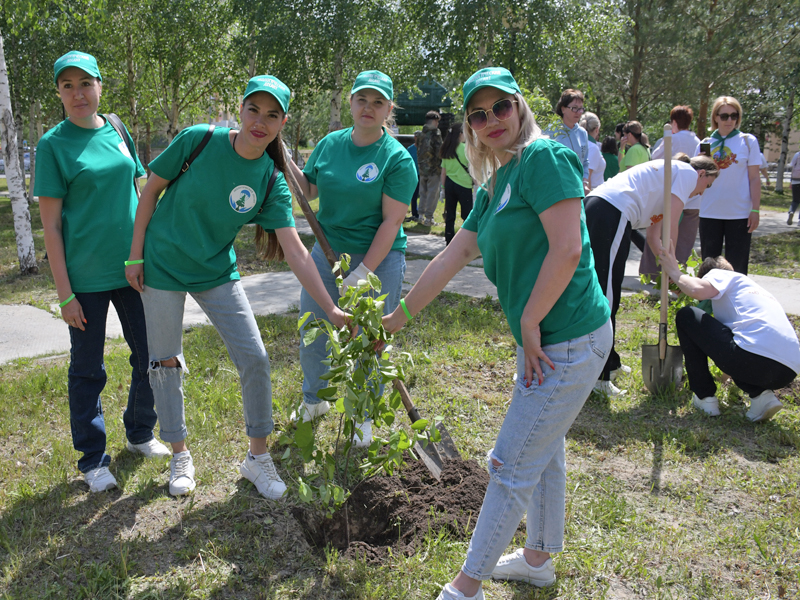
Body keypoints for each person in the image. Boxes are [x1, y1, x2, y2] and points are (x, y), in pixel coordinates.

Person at [384, 67, 612, 600]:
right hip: (540, 341)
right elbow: (454, 254)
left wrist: (529, 321)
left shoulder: (545, 158)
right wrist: (397, 319)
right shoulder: (497, 182)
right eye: (478, 115)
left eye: (500, 108)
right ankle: (536, 560)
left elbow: (568, 248)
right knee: (543, 446)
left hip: (571, 339)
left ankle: (466, 587)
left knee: (509, 462)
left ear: (520, 107)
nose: (491, 121)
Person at [125, 75, 348, 498]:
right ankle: (179, 454)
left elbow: (297, 252)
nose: (260, 122)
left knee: (256, 357)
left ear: (283, 123)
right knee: (165, 361)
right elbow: (150, 190)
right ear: (240, 109)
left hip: (215, 272)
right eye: (254, 110)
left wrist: (332, 310)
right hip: (161, 265)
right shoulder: (199, 139)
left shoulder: (271, 179)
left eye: (272, 115)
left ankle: (257, 458)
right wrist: (135, 255)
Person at [35, 51, 171, 493]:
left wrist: (144, 253)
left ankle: (139, 432)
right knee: (88, 369)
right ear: (59, 92)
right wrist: (64, 294)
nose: (78, 93)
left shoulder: (115, 128)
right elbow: (51, 226)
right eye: (68, 85)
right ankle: (93, 459)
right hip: (85, 281)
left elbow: (136, 192)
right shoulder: (52, 145)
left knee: (149, 354)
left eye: (85, 83)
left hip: (133, 269)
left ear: (99, 86)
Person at [287, 70, 417, 447]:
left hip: (380, 258)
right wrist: (284, 157)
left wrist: (364, 271)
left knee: (370, 340)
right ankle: (315, 400)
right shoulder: (329, 144)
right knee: (313, 328)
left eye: (378, 102)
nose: (368, 108)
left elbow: (392, 221)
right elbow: (308, 190)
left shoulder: (395, 158)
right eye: (362, 99)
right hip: (325, 253)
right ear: (351, 102)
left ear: (388, 109)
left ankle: (362, 414)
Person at [584, 154, 719, 396]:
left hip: (606, 210)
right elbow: (672, 227)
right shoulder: (687, 174)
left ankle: (610, 361)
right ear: (702, 174)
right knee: (607, 294)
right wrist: (674, 266)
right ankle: (599, 377)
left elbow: (656, 237)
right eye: (706, 186)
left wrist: (668, 267)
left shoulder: (668, 183)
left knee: (609, 289)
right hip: (610, 210)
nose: (701, 193)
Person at [659, 247, 799, 422]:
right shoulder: (753, 291)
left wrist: (674, 271)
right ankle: (762, 397)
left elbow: (697, 290)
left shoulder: (721, 274)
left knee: (687, 315)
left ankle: (705, 397)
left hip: (755, 358)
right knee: (740, 343)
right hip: (788, 370)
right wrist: (685, 284)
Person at [694, 96, 761, 275]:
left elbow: (754, 178)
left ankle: (735, 302)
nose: (730, 120)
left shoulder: (747, 141)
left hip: (739, 213)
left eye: (734, 116)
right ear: (715, 117)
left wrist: (755, 209)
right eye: (724, 116)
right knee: (709, 266)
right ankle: (708, 302)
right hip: (710, 211)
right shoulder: (706, 144)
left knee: (737, 267)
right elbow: (696, 178)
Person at [640, 106, 704, 278]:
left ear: (674, 122)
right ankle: (677, 274)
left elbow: (655, 158)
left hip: (670, 196)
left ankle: (651, 274)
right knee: (684, 240)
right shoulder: (698, 141)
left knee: (659, 232)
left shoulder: (670, 139)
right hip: (691, 200)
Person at [544, 89, 590, 191]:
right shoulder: (550, 131)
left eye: (580, 109)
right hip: (556, 188)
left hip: (577, 188)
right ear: (563, 109)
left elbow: (585, 161)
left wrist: (584, 182)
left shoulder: (583, 133)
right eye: (574, 108)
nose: (578, 112)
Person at [439, 123, 474, 244]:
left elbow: (443, 172)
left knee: (450, 214)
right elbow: (472, 169)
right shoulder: (466, 149)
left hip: (449, 184)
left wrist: (443, 188)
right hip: (463, 184)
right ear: (460, 134)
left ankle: (449, 239)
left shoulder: (446, 150)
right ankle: (467, 240)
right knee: (467, 214)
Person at [417, 110, 443, 226]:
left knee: (423, 192)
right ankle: (429, 218)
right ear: (434, 121)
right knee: (433, 193)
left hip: (422, 168)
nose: (438, 124)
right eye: (437, 122)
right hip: (434, 169)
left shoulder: (420, 134)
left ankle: (420, 216)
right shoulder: (436, 133)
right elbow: (439, 151)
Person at [579, 111, 606, 191]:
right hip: (593, 193)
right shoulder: (593, 147)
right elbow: (587, 177)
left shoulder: (579, 143)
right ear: (597, 130)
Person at [404, 130, 422, 222]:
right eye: (417, 137)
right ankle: (414, 213)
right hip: (413, 175)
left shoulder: (425, 149)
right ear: (415, 138)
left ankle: (422, 214)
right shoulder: (410, 149)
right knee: (413, 195)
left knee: (423, 195)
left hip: (423, 175)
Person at [787, 149, 800, 225]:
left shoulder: (797, 154)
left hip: (795, 180)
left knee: (795, 200)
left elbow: (791, 166)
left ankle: (791, 212)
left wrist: (791, 180)